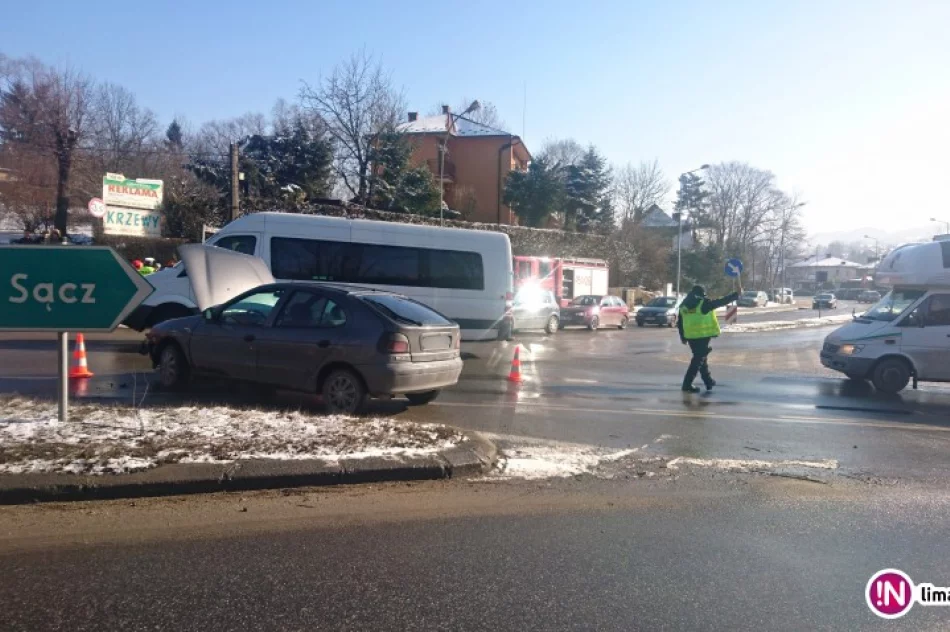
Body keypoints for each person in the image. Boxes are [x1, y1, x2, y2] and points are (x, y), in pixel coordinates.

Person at [677, 284, 741, 393]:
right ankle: (687, 384)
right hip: (702, 335)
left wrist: (683, 337)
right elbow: (720, 302)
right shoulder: (703, 303)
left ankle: (708, 381)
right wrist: (735, 295)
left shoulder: (684, 305)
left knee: (701, 358)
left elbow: (680, 322)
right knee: (698, 360)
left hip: (691, 336)